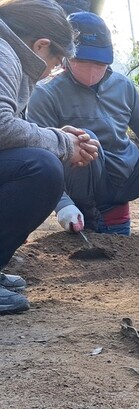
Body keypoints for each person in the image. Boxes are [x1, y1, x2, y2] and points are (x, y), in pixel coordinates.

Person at [27, 11, 139, 241]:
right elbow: (41, 156)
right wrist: (64, 204)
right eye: (83, 61)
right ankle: (88, 219)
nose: (92, 69)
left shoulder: (123, 86)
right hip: (84, 182)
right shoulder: (46, 93)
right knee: (84, 139)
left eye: (99, 63)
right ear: (67, 56)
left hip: (128, 175)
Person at [0, 0, 98, 314]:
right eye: (56, 60)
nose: (55, 69)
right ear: (41, 45)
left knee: (39, 160)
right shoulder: (4, 54)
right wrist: (61, 142)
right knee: (42, 170)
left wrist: (54, 137)